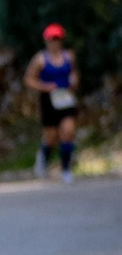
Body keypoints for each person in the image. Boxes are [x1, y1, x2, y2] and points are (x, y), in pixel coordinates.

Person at [23, 23, 79, 184]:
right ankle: (43, 159)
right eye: (52, 39)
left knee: (68, 131)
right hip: (49, 100)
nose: (55, 42)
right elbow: (28, 79)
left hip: (66, 98)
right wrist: (45, 87)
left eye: (58, 39)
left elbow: (74, 73)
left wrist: (74, 80)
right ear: (47, 40)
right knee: (51, 137)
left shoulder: (69, 56)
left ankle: (66, 169)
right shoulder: (40, 59)